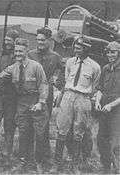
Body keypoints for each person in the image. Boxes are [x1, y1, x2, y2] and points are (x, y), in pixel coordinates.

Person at [0, 38, 49, 173]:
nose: (18, 53)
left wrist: (41, 102)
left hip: (36, 101)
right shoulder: (12, 69)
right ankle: (23, 160)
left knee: (39, 133)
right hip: (22, 103)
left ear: (26, 51)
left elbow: (43, 84)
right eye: (16, 51)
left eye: (21, 51)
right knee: (23, 132)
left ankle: (38, 161)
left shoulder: (36, 66)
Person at [50, 36, 101, 173]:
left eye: (79, 48)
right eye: (75, 47)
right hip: (68, 95)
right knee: (62, 128)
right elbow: (67, 79)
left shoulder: (95, 67)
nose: (76, 50)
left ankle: (74, 164)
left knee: (79, 131)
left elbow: (95, 86)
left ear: (86, 49)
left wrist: (86, 98)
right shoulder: (70, 62)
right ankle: (57, 163)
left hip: (83, 98)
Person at [28, 26, 64, 169]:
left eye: (42, 40)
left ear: (49, 40)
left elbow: (64, 71)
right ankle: (28, 157)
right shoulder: (30, 54)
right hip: (30, 94)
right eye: (37, 40)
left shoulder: (55, 57)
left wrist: (57, 82)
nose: (40, 43)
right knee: (29, 125)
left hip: (46, 96)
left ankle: (42, 158)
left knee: (43, 127)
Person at [95, 41, 120, 173]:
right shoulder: (105, 68)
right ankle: (106, 166)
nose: (110, 55)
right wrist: (97, 101)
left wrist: (111, 105)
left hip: (117, 111)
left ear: (119, 53)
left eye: (113, 52)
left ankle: (117, 168)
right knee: (101, 138)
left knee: (116, 141)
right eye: (108, 52)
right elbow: (100, 89)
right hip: (104, 109)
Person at [0, 30, 19, 166]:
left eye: (10, 40)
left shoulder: (19, 56)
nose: (7, 42)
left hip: (12, 96)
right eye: (6, 40)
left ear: (15, 41)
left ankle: (6, 154)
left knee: (9, 125)